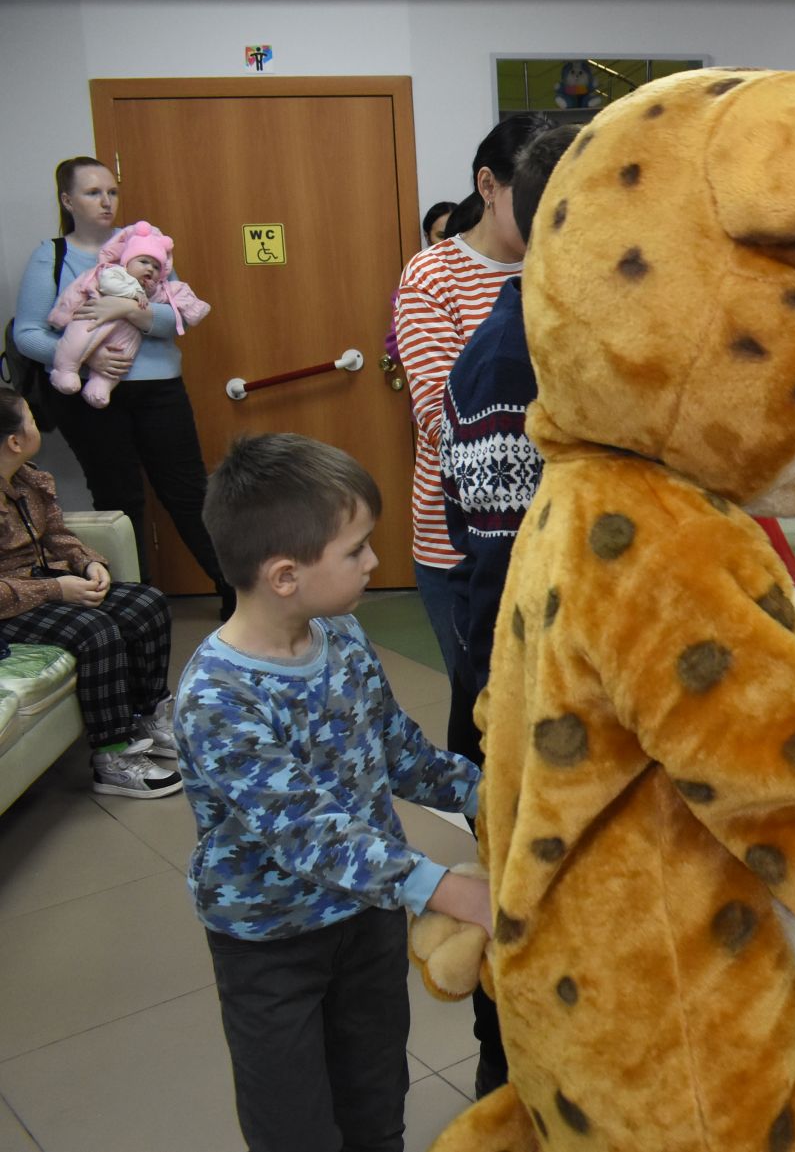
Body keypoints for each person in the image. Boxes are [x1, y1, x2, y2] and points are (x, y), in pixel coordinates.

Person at [178, 432, 491, 1152]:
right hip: (270, 945)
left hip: (368, 921)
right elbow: (309, 832)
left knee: (376, 1097)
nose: (374, 562)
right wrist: (440, 886)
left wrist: (492, 793)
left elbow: (398, 750)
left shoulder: (343, 636)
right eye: (356, 550)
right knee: (294, 1126)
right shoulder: (217, 695)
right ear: (285, 574)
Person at [438, 121, 579, 1098]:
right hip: (524, 686)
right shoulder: (504, 362)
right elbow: (508, 564)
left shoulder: (577, 334)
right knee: (529, 895)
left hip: (573, 677)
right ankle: (510, 1076)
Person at [11, 156, 234, 616]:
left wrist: (128, 312)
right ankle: (137, 600)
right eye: (93, 193)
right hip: (90, 399)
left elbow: (177, 315)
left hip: (160, 391)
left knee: (189, 492)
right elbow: (28, 334)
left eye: (112, 191)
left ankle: (234, 590)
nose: (106, 201)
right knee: (119, 498)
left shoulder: (143, 245)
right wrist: (85, 354)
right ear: (68, 200)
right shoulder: (51, 256)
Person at [394, 114, 549, 674]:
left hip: (555, 529)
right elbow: (442, 418)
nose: (550, 218)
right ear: (489, 186)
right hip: (462, 542)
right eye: (535, 197)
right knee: (485, 706)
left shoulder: (563, 266)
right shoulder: (434, 278)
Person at [0, 386, 178, 798]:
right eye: (30, 417)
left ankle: (146, 715)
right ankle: (112, 757)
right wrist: (55, 589)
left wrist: (88, 563)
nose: (36, 422)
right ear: (14, 440)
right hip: (10, 605)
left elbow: (59, 535)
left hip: (44, 583)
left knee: (145, 604)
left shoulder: (28, 480)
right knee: (95, 630)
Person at [48, 221, 210, 408]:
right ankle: (65, 371)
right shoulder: (112, 271)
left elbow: (176, 303)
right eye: (143, 262)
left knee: (124, 355)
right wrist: (60, 318)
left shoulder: (155, 288)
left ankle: (100, 386)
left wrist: (194, 308)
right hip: (94, 321)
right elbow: (85, 290)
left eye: (156, 267)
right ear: (127, 262)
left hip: (131, 341)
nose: (150, 268)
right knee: (77, 340)